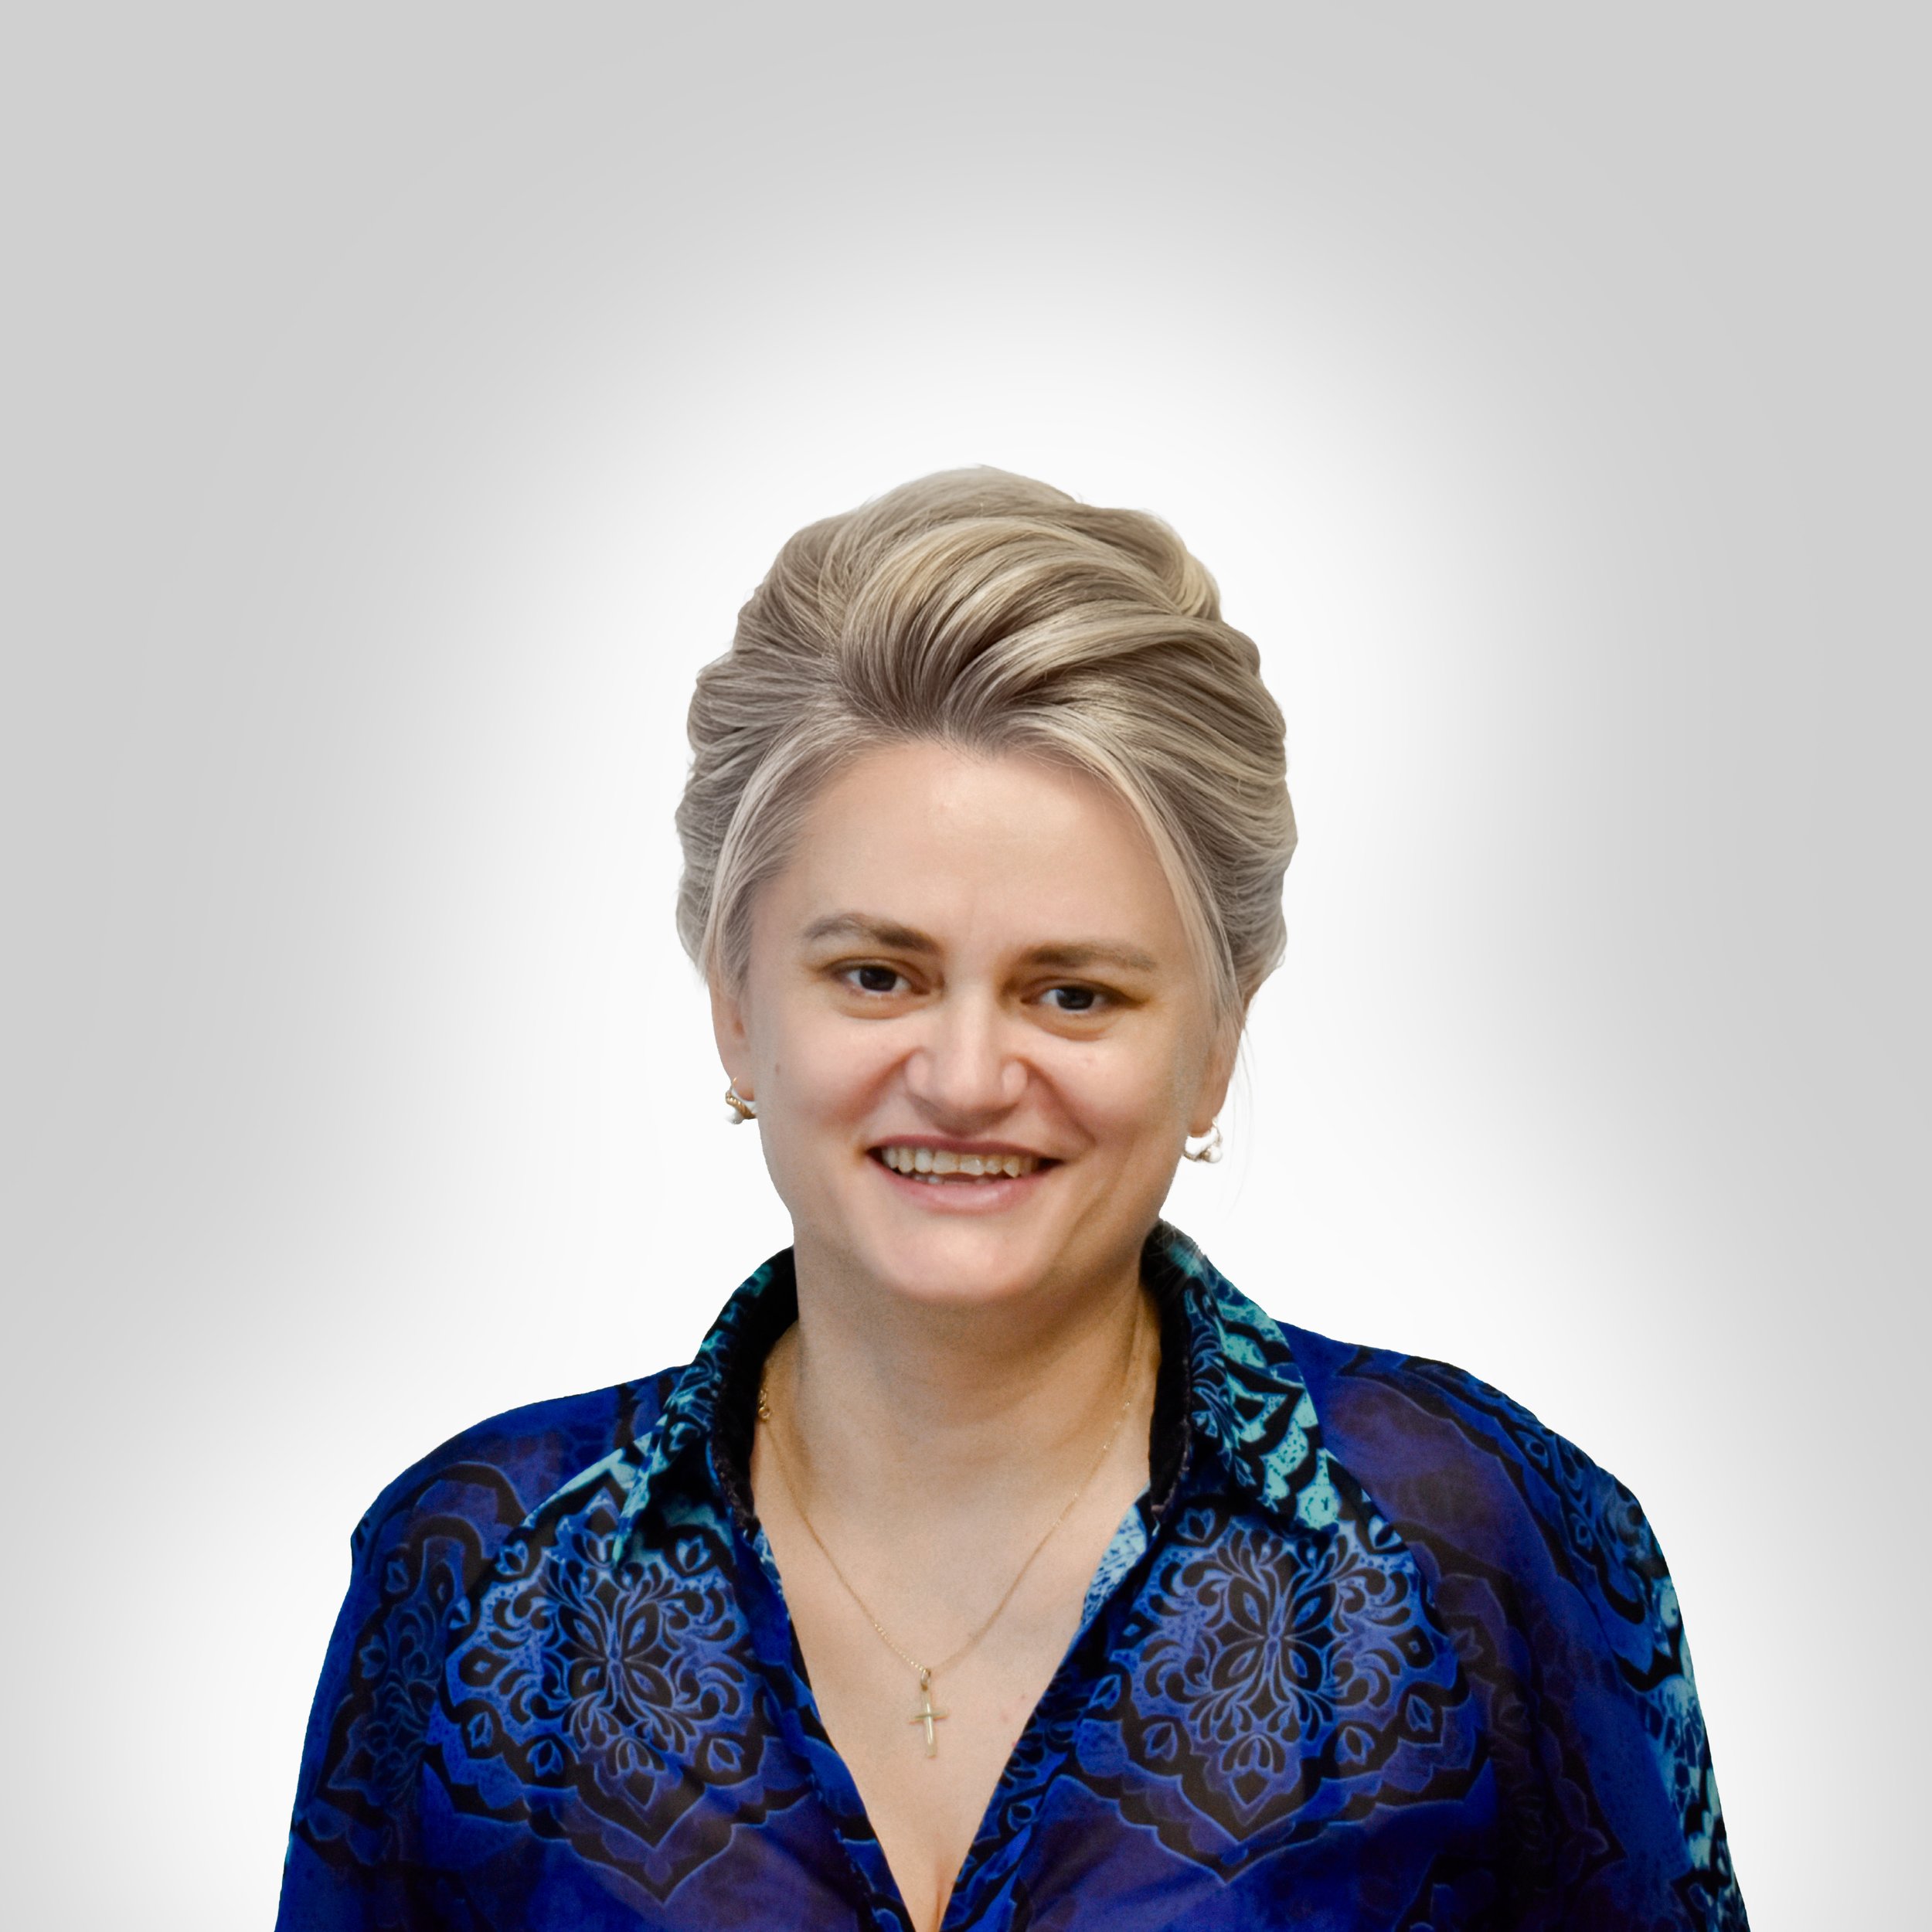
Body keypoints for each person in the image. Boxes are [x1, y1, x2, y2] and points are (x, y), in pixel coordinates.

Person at [275, 471, 1747, 1930]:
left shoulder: (1483, 1545)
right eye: (877, 975)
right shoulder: (472, 1568)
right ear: (734, 1005)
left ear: (1215, 1046)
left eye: (1073, 991)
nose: (968, 1079)